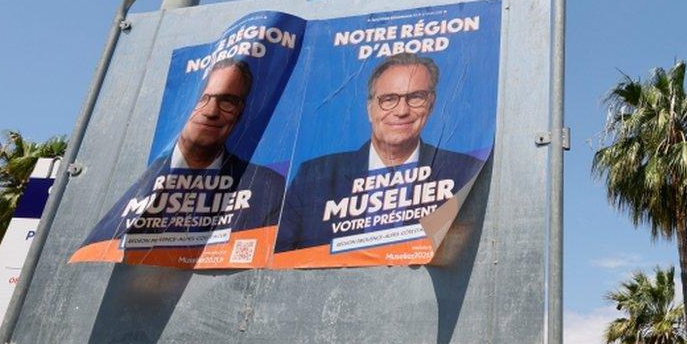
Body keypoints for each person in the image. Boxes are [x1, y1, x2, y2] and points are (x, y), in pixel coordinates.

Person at [275, 52, 485, 254]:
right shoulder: (314, 178)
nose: (402, 110)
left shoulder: (464, 174)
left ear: (431, 104)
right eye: (389, 99)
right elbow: (282, 259)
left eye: (416, 97)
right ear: (370, 108)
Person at [74, 58, 286, 255]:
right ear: (181, 107)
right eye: (202, 99)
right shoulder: (123, 184)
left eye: (227, 101)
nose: (211, 111)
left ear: (240, 111)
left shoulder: (267, 188)